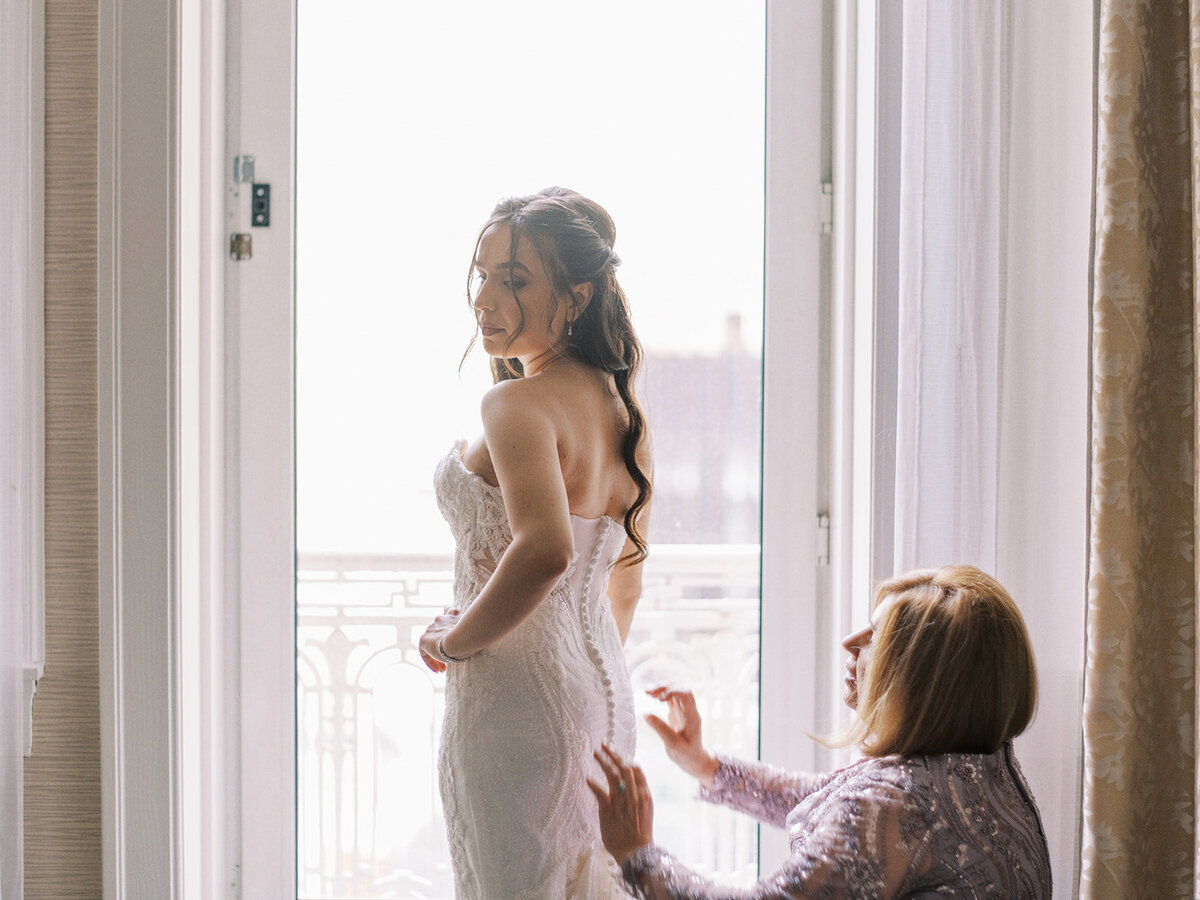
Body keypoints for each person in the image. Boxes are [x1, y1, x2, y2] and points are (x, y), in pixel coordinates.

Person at [418, 187, 652, 899]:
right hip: (603, 703)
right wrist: (582, 682)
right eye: (481, 274)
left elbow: (546, 550)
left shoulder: (515, 403)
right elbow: (625, 577)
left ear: (575, 297)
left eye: (514, 280)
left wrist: (453, 643)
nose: (485, 298)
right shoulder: (618, 407)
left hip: (517, 707)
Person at [589, 565, 1052, 898]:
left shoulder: (895, 802)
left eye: (876, 637)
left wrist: (637, 854)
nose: (850, 643)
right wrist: (706, 765)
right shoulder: (986, 771)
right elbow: (827, 802)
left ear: (925, 680)